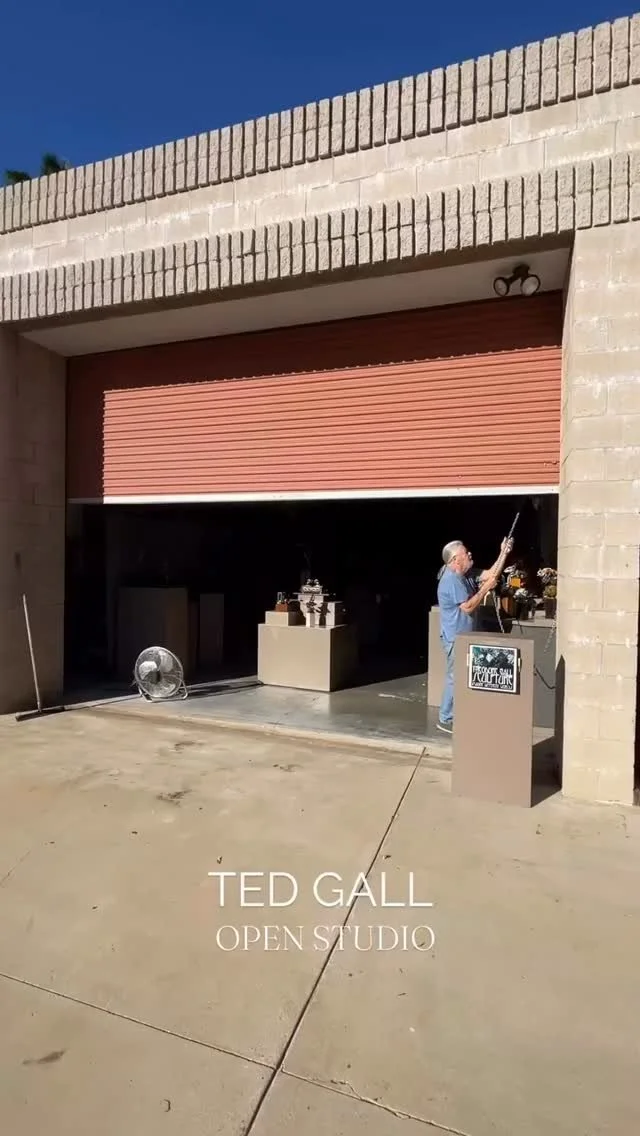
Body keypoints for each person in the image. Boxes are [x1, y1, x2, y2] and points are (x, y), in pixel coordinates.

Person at [436, 536, 513, 734]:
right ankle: (445, 718)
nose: (470, 554)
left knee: (463, 677)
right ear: (455, 560)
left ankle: (457, 714)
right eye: (465, 552)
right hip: (456, 638)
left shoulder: (466, 574)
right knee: (455, 677)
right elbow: (468, 607)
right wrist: (486, 588)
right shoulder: (451, 580)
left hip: (466, 637)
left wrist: (503, 552)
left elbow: (491, 574)